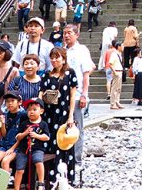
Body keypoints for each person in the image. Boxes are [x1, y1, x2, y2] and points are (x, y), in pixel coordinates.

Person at [40, 47, 78, 185]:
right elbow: (41, 92)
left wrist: (70, 116)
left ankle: (66, 177)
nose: (54, 60)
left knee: (64, 142)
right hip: (48, 114)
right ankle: (50, 177)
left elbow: (73, 95)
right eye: (52, 57)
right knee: (49, 142)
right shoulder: (46, 74)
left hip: (63, 113)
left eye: (57, 57)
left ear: (63, 58)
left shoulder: (70, 73)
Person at [63, 24, 94, 171]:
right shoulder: (62, 50)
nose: (66, 36)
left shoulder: (82, 50)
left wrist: (84, 95)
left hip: (77, 94)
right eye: (65, 33)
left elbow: (86, 74)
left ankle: (77, 160)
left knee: (77, 127)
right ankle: (64, 157)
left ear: (77, 35)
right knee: (63, 126)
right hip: (62, 94)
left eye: (69, 33)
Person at [14, 98, 50, 190]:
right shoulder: (24, 123)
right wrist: (25, 133)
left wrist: (37, 135)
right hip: (23, 149)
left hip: (37, 149)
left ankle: (41, 183)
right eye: (29, 110)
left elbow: (47, 137)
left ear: (41, 111)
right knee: (19, 169)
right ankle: (16, 188)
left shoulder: (43, 124)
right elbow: (18, 137)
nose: (31, 112)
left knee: (38, 161)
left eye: (34, 109)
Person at [0, 90, 26, 176]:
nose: (10, 103)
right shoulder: (5, 115)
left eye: (12, 101)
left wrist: (12, 148)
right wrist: (2, 123)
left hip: (17, 147)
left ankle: (4, 185)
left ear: (19, 102)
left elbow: (22, 136)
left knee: (5, 161)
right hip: (5, 145)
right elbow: (4, 134)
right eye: (7, 101)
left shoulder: (24, 116)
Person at [108, 41, 124, 110]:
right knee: (114, 88)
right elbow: (110, 63)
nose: (123, 47)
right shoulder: (114, 54)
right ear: (119, 47)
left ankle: (117, 101)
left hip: (120, 71)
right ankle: (113, 103)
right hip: (116, 71)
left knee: (118, 88)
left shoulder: (119, 54)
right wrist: (114, 71)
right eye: (122, 46)